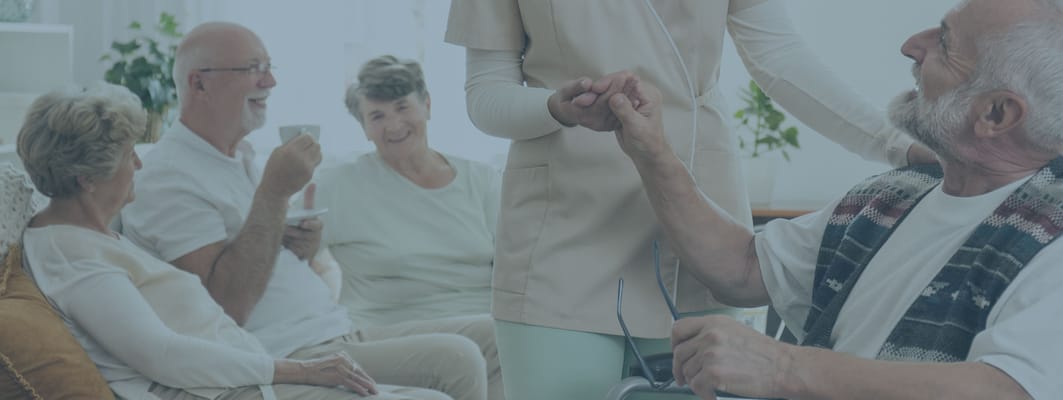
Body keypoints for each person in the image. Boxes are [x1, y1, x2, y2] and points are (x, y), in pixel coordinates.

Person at [444, 1, 938, 398]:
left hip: (698, 232)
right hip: (561, 233)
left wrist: (899, 146)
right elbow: (487, 95)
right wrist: (556, 106)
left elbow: (780, 59)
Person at [601, 0, 1063, 398]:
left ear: (997, 113)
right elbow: (742, 269)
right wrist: (654, 153)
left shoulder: (1053, 237)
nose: (911, 46)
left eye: (944, 43)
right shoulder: (893, 196)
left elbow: (1010, 391)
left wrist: (781, 368)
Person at [121, 22, 487, 400]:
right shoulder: (168, 175)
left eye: (269, 66)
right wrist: (275, 194)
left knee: (490, 340)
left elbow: (254, 254)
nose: (271, 82)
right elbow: (226, 308)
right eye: (253, 68)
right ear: (199, 84)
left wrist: (298, 245)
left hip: (332, 331)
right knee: (448, 375)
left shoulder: (238, 156)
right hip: (282, 351)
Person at [16, 82, 420, 399]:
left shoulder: (92, 235)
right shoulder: (71, 254)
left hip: (245, 376)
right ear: (88, 179)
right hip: (222, 391)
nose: (139, 163)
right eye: (128, 156)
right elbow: (163, 356)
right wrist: (303, 370)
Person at [299, 55, 504, 399]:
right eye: (377, 116)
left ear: (427, 104)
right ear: (363, 126)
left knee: (506, 338)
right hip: (389, 335)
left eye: (402, 107)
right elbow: (289, 253)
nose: (394, 125)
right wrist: (303, 247)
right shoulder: (338, 184)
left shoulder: (482, 180)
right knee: (493, 340)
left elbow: (517, 266)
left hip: (487, 329)